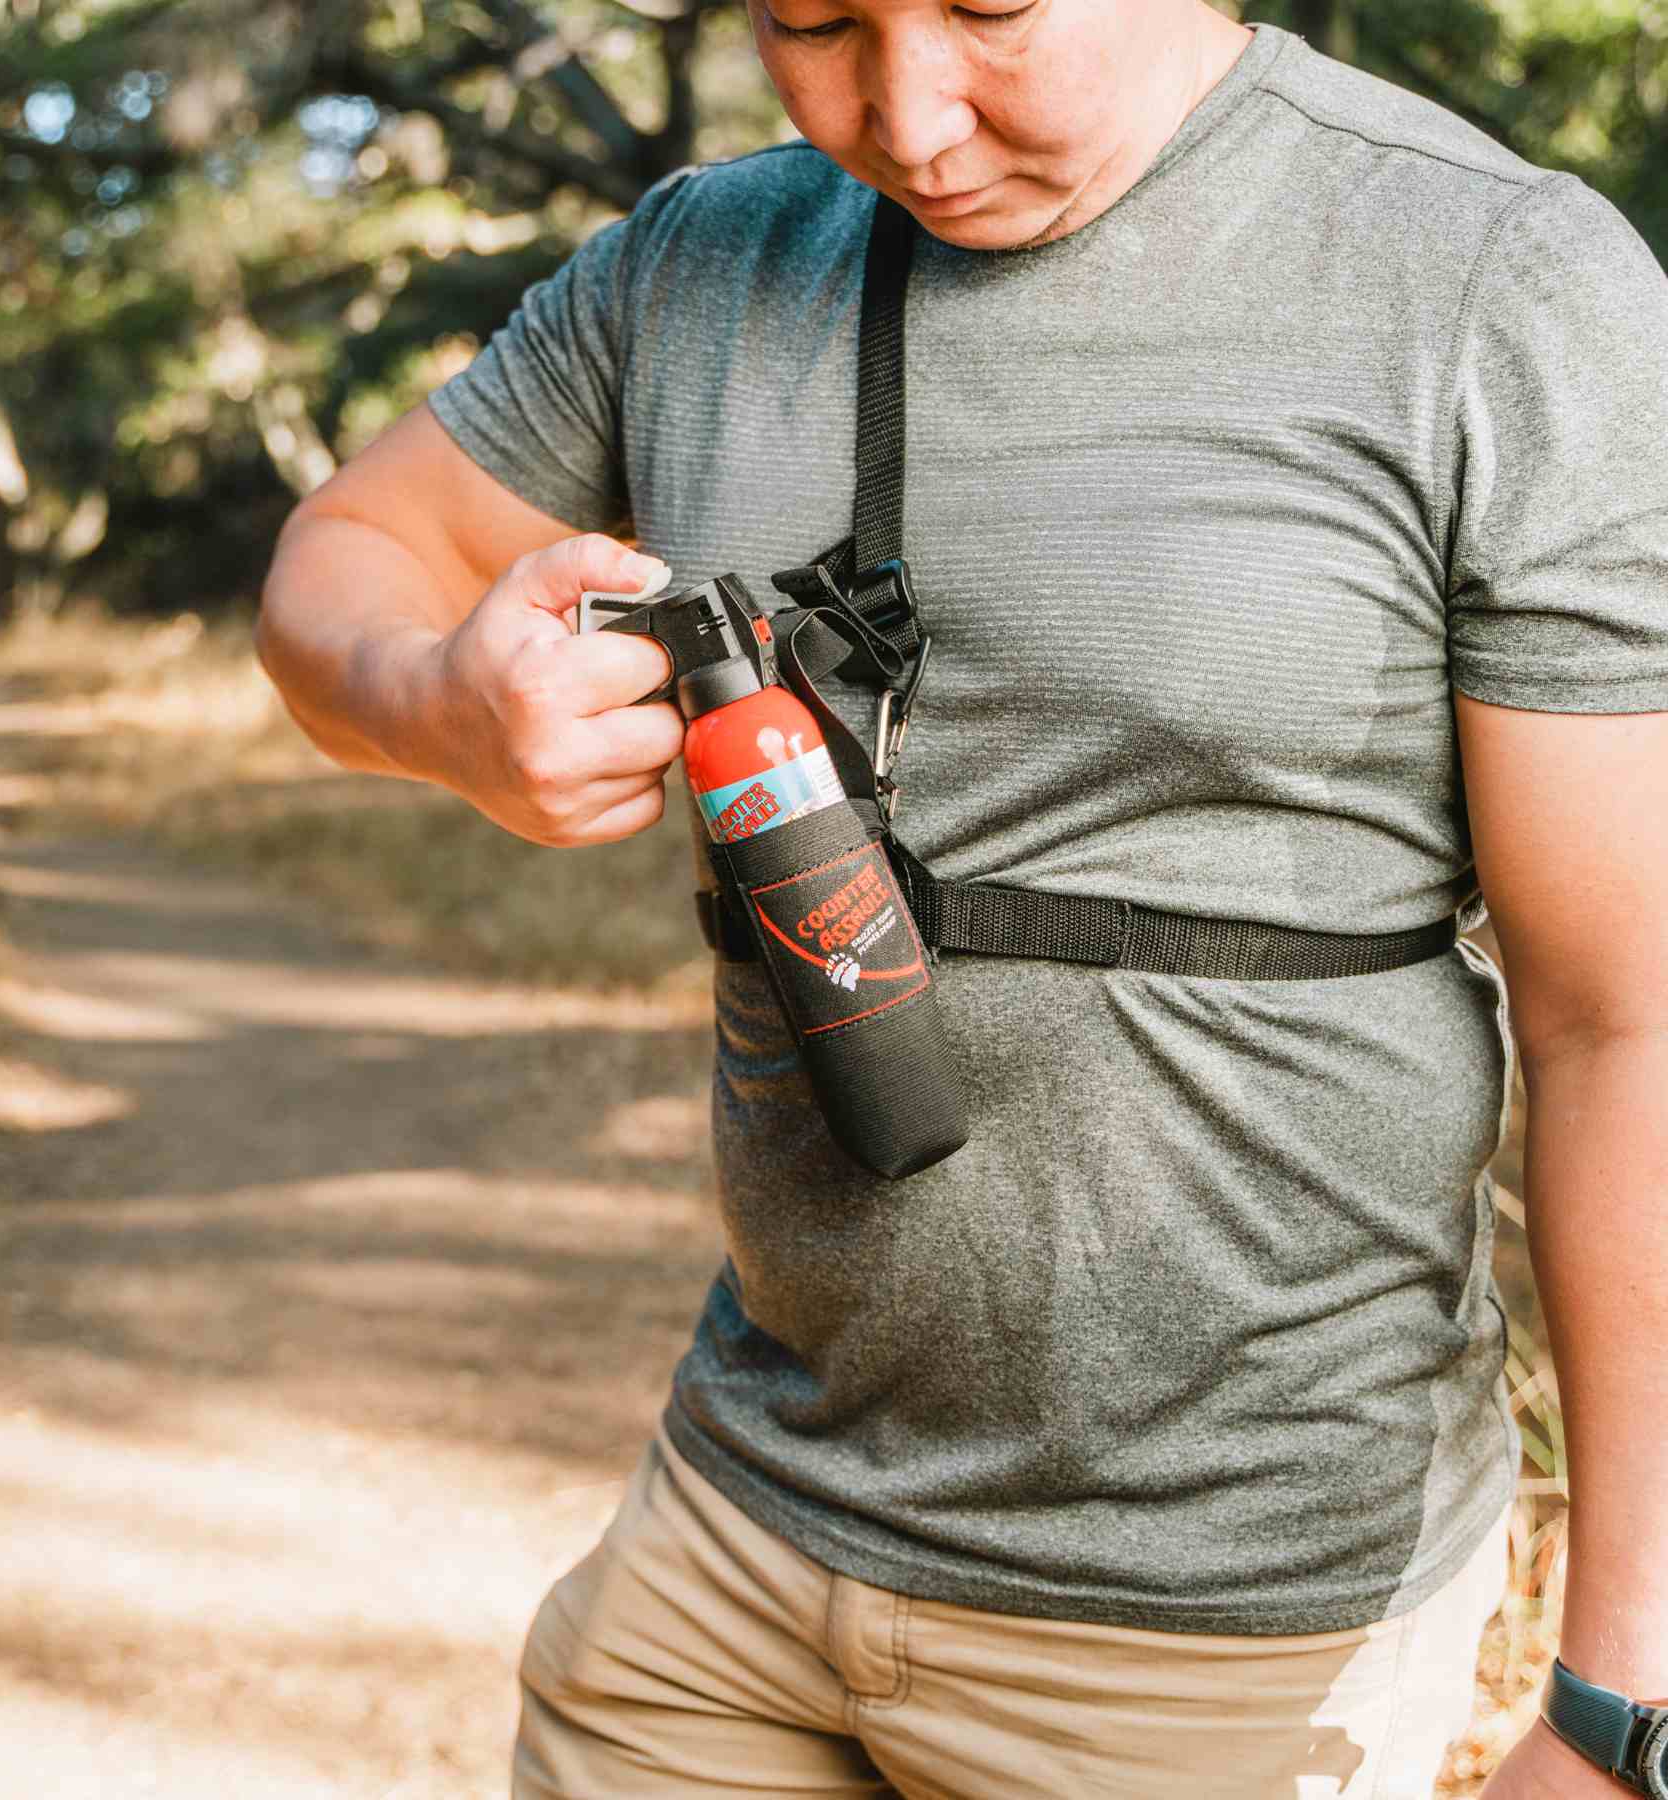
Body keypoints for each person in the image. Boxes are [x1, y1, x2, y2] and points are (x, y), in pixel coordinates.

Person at [254, 0, 1668, 1792]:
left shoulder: (1492, 283)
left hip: (1233, 1633)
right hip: (734, 1543)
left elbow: (1628, 1018)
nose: (910, 116)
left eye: (991, 9)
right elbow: (340, 561)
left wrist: (1626, 1700)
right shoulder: (696, 266)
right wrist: (435, 705)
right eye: (814, 20)